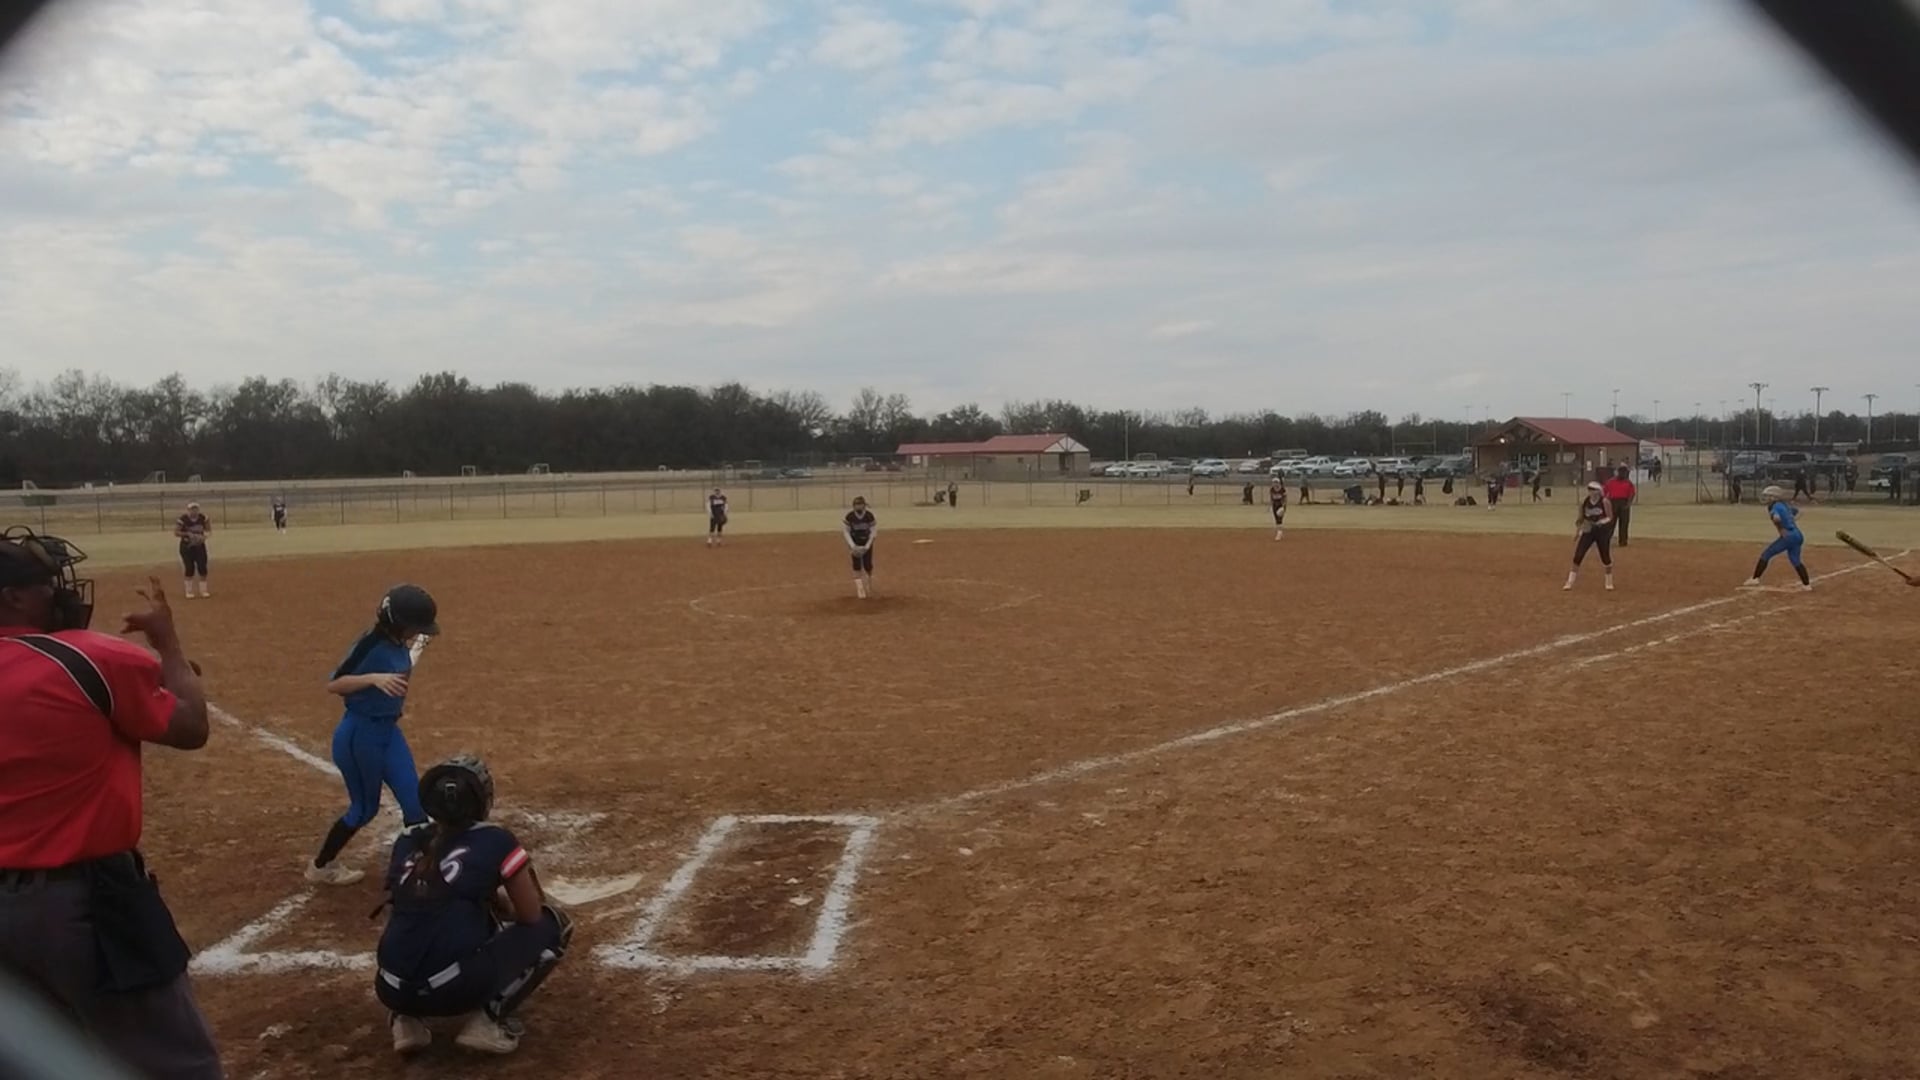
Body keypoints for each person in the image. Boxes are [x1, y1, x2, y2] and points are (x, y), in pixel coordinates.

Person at [0, 527, 223, 1079]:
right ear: (13, 598)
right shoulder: (88, 657)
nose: (58, 591)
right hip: (84, 907)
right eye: (44, 583)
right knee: (174, 1063)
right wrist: (168, 643)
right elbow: (190, 726)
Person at [375, 755, 571, 1057]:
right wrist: (498, 906)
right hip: (454, 991)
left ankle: (406, 1020)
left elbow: (402, 906)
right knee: (553, 925)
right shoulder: (496, 840)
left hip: (389, 988)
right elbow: (531, 914)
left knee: (416, 921)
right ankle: (488, 1021)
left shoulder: (407, 839)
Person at [307, 585, 441, 886]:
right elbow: (334, 684)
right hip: (360, 736)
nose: (417, 632)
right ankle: (320, 866)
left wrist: (419, 647)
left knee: (415, 804)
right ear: (397, 623)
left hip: (388, 733)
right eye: (415, 626)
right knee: (364, 810)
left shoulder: (398, 643)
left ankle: (422, 874)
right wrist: (372, 678)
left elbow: (400, 667)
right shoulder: (370, 645)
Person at [1742, 486, 1812, 591]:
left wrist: (1781, 529)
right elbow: (1799, 512)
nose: (1766, 498)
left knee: (1766, 554)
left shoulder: (1774, 507)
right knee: (1796, 560)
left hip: (1788, 536)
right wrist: (1791, 520)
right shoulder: (1784, 505)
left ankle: (1755, 578)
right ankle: (1807, 585)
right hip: (1797, 535)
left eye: (1768, 496)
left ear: (1774, 497)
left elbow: (1776, 518)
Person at [1563, 482, 1616, 592]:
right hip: (1588, 531)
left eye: (1594, 490)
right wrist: (1578, 532)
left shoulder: (1604, 502)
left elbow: (1610, 517)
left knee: (1605, 557)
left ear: (1599, 491)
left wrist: (1601, 522)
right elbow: (1580, 519)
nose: (1591, 492)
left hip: (1602, 532)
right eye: (1590, 490)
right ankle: (1570, 582)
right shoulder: (1585, 502)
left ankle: (1609, 581)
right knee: (1578, 555)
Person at [172, 503, 210, 599]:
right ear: (188, 510)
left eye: (196, 509)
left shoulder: (203, 518)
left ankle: (203, 590)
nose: (194, 511)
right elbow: (176, 532)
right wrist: (187, 534)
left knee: (202, 566)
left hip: (199, 546)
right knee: (189, 567)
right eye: (192, 509)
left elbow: (208, 530)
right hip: (187, 546)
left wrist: (203, 537)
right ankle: (189, 591)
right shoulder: (183, 519)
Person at [843, 497, 877, 600]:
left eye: (860, 504)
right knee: (856, 565)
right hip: (855, 543)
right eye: (856, 505)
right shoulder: (850, 516)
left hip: (866, 542)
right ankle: (860, 588)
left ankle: (869, 584)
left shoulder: (869, 516)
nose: (858, 507)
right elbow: (846, 532)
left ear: (864, 505)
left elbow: (873, 532)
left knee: (868, 565)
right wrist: (852, 546)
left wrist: (867, 546)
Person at [1602, 465, 1636, 547]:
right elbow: (1604, 491)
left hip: (1624, 503)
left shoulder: (1628, 483)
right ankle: (1606, 540)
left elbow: (1632, 494)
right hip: (1613, 502)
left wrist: (1628, 504)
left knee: (1624, 523)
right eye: (1622, 472)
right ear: (1618, 472)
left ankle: (1623, 541)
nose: (1623, 474)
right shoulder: (1611, 481)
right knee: (1611, 523)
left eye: (1625, 472)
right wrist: (1606, 501)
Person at [1268, 475, 1288, 541]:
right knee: (1276, 519)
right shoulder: (1272, 489)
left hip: (1280, 506)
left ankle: (1279, 533)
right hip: (1275, 506)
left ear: (1279, 483)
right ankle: (1280, 532)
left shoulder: (1282, 489)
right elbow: (1271, 498)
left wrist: (1284, 507)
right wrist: (1270, 505)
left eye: (1276, 482)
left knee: (1279, 519)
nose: (1275, 484)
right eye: (1274, 482)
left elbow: (1285, 498)